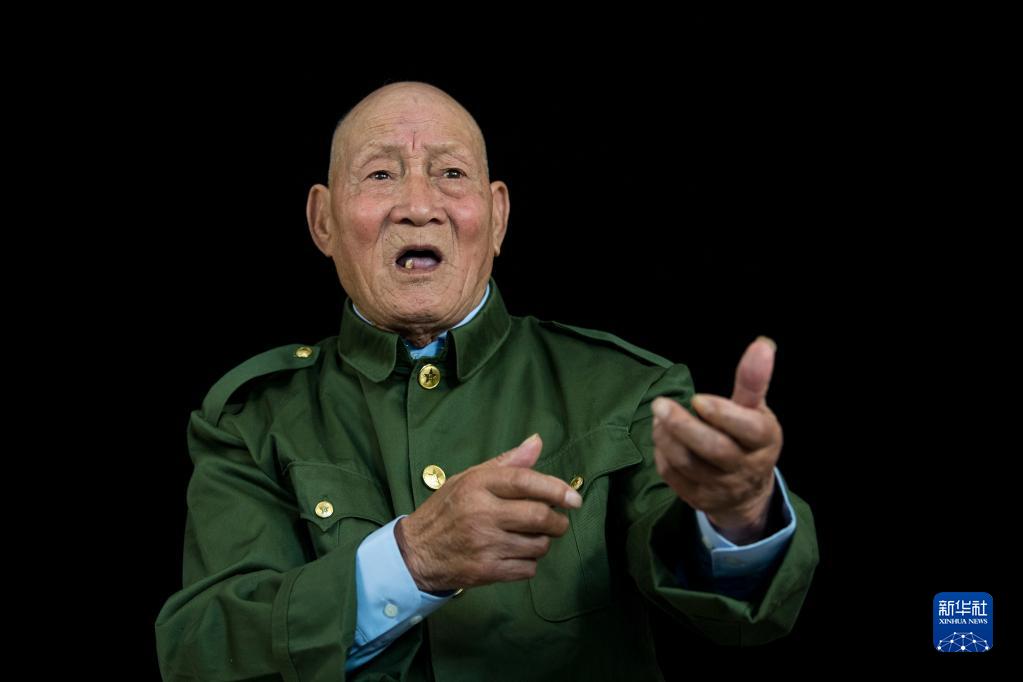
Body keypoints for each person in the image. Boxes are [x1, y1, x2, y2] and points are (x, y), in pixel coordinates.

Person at [154, 81, 818, 681]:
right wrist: (411, 560)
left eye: (450, 174)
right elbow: (203, 649)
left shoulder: (625, 388)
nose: (418, 206)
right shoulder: (251, 417)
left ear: (497, 216)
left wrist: (738, 517)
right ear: (323, 221)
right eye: (381, 174)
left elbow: (735, 620)